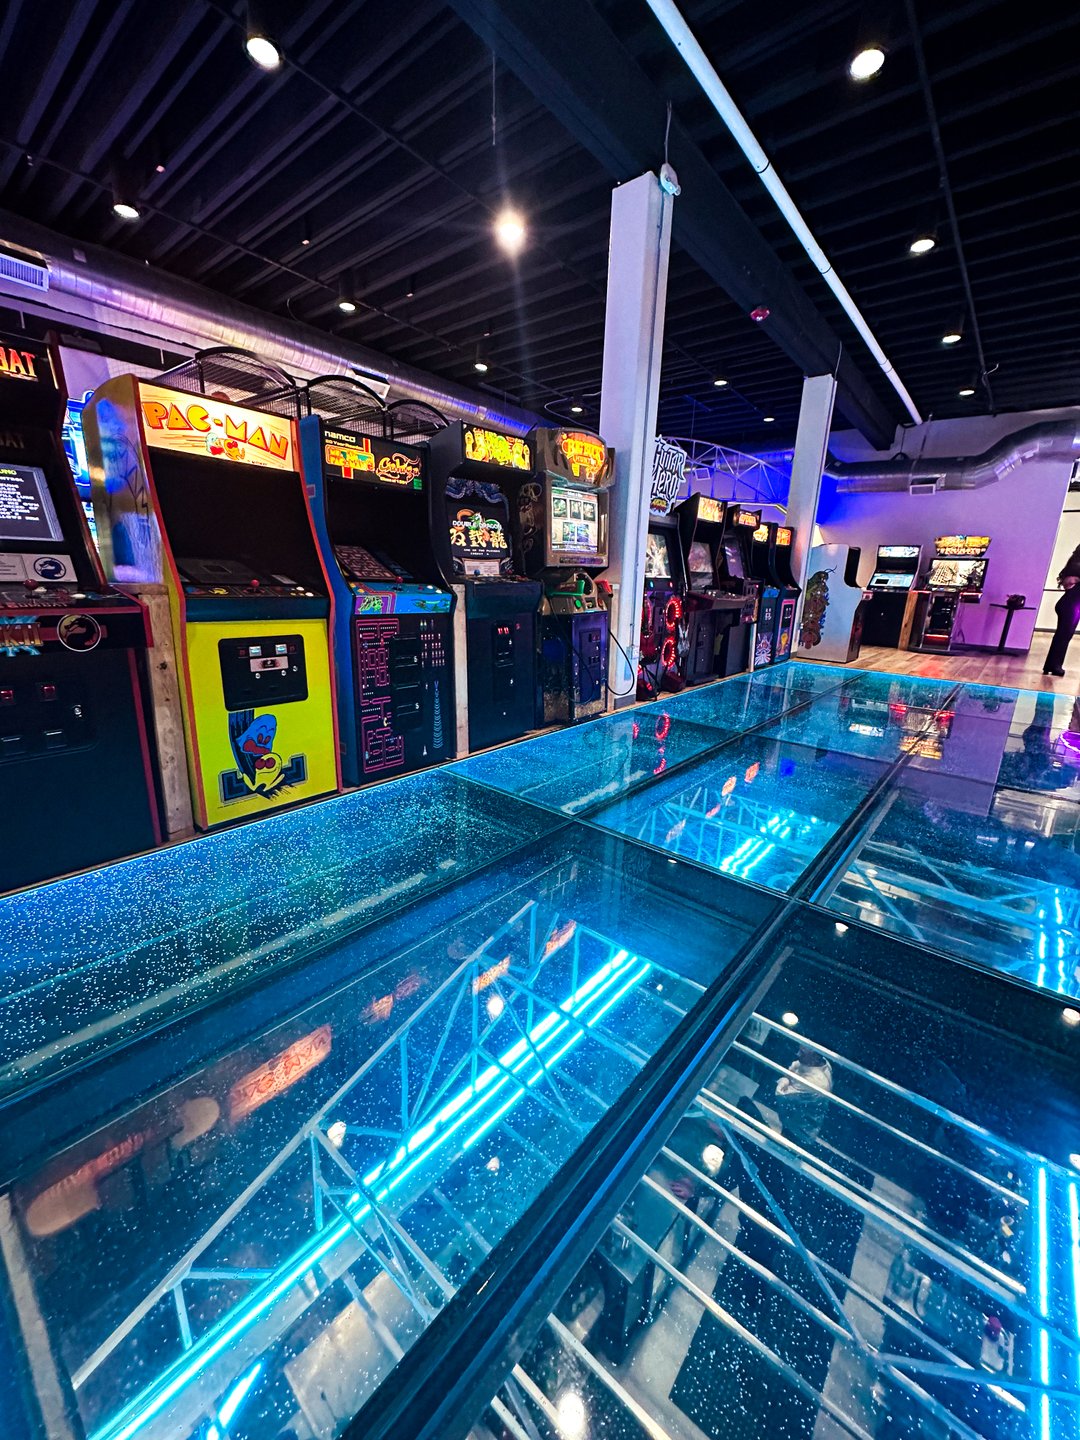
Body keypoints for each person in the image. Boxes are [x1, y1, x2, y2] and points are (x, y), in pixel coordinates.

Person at [1043, 575, 1080, 676]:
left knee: (1062, 636)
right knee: (1064, 636)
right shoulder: (1076, 566)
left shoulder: (1074, 565)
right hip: (1071, 606)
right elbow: (1068, 581)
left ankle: (1051, 665)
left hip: (1070, 604)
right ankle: (1055, 666)